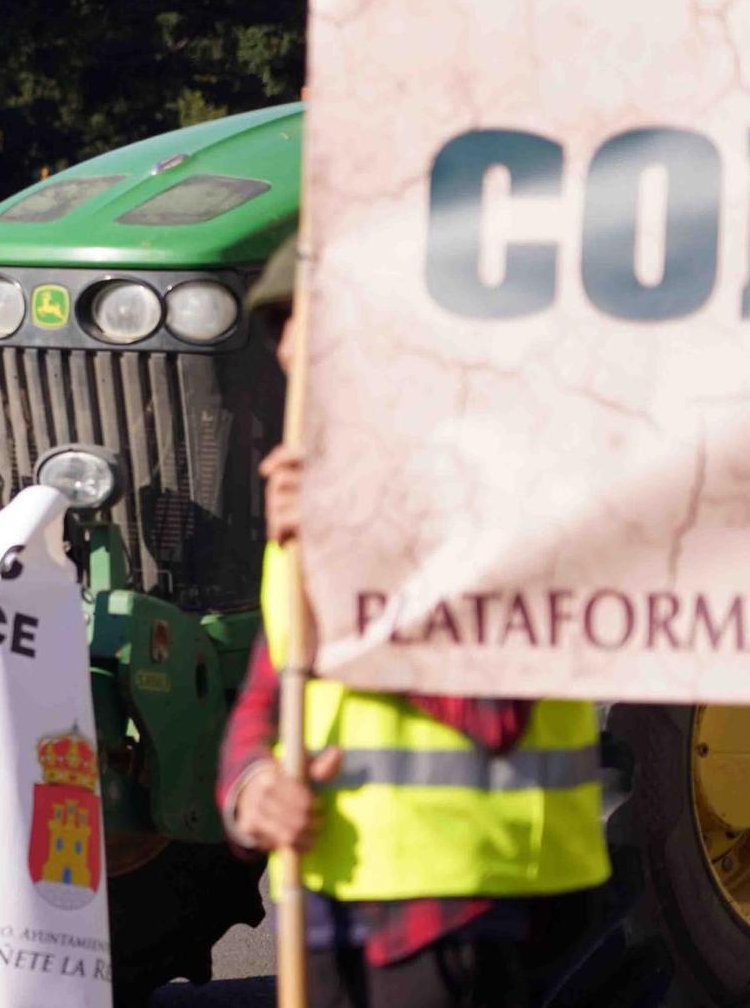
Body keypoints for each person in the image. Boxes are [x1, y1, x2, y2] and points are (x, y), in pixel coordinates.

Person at [217, 238, 609, 1008]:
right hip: (327, 904)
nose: (291, 346)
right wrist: (251, 788)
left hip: (467, 913)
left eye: (310, 320)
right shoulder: (315, 499)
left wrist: (353, 562)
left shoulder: (494, 494)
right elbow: (267, 691)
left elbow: (495, 710)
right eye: (283, 326)